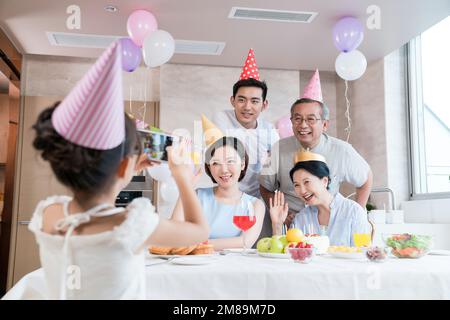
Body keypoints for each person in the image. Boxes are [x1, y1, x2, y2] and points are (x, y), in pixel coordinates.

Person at [27, 41, 209, 299]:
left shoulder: (49, 212)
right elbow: (199, 230)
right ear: (124, 166)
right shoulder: (132, 225)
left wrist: (124, 170)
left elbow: (98, 200)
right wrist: (183, 178)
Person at [260, 69, 373, 232]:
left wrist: (356, 212)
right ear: (291, 122)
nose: (303, 125)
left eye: (311, 119)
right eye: (297, 119)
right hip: (291, 224)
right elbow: (265, 187)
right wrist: (283, 211)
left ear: (325, 124)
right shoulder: (278, 148)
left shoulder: (342, 150)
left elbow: (365, 178)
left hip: (329, 223)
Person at [171, 132, 265, 251]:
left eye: (230, 161)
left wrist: (195, 244)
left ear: (242, 164)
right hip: (195, 265)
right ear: (209, 167)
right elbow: (174, 232)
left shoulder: (255, 205)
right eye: (216, 163)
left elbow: (245, 242)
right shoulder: (197, 195)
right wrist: (186, 187)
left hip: (234, 267)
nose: (224, 170)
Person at [212, 48, 279, 199]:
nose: (247, 107)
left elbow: (276, 164)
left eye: (254, 101)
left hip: (258, 197)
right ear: (232, 101)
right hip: (226, 193)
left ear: (264, 105)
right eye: (241, 100)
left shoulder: (269, 130)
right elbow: (226, 148)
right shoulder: (222, 118)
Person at [268, 150, 372, 246]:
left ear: (324, 181)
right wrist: (277, 225)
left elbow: (363, 252)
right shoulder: (301, 218)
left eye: (307, 182)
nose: (302, 191)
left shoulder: (354, 212)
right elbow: (290, 254)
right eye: (297, 185)